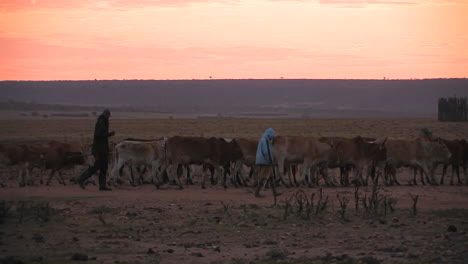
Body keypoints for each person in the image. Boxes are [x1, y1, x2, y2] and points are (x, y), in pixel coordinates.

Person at [76, 109, 115, 191]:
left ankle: (102, 186)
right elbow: (98, 134)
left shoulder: (103, 121)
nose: (109, 117)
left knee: (104, 167)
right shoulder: (101, 122)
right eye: (108, 115)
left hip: (102, 150)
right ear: (106, 115)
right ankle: (81, 179)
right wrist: (109, 134)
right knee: (96, 167)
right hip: (99, 150)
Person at [254, 128, 281, 198]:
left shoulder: (264, 140)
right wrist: (270, 161)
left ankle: (274, 192)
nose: (272, 137)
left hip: (263, 160)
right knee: (263, 176)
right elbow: (266, 152)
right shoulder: (265, 141)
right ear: (269, 135)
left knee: (271, 177)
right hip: (265, 161)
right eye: (272, 136)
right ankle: (257, 193)